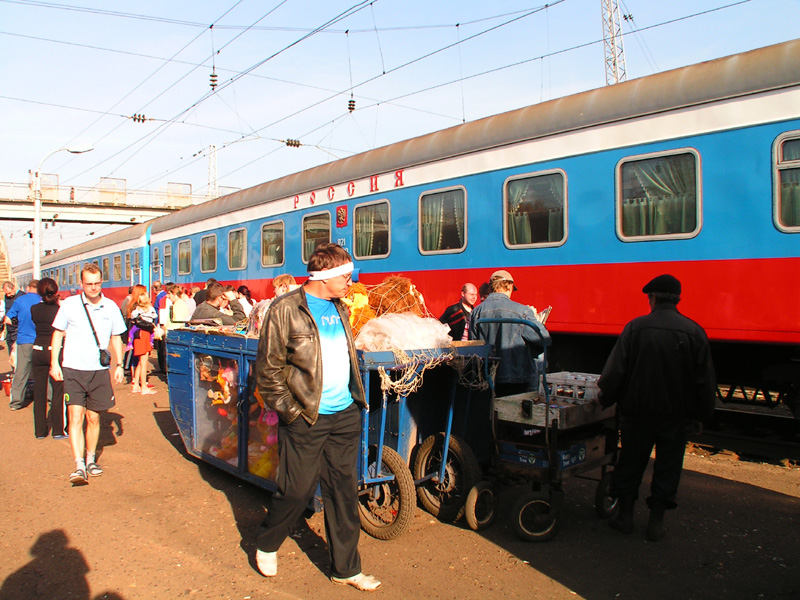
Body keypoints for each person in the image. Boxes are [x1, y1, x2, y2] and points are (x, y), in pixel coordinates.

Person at [253, 243, 380, 591]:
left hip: (344, 415)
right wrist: (291, 412)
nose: (350, 283)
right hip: (306, 416)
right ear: (324, 277)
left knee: (343, 493)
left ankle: (346, 569)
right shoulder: (285, 309)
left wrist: (355, 402)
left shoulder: (339, 306)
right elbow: (268, 371)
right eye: (345, 276)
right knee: (296, 490)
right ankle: (266, 542)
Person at [597, 274, 716, 541]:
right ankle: (656, 524)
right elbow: (704, 380)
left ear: (652, 298)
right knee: (668, 466)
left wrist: (605, 399)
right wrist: (700, 415)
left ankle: (625, 518)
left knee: (631, 462)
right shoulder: (694, 331)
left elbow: (616, 372)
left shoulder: (635, 328)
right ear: (677, 299)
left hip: (637, 413)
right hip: (676, 415)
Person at [50, 264, 126, 486]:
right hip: (73, 369)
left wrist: (120, 365)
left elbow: (116, 338)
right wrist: (55, 363)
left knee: (93, 418)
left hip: (98, 371)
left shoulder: (110, 306)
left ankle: (91, 459)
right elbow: (57, 334)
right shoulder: (70, 305)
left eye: (97, 283)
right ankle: (79, 464)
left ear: (101, 282)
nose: (93, 288)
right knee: (76, 416)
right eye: (88, 284)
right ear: (81, 284)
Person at [468, 270, 550, 397]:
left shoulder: (476, 312)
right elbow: (544, 339)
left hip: (487, 376)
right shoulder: (523, 311)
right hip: (516, 377)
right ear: (510, 286)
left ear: (491, 287)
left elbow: (474, 346)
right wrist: (537, 322)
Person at [30, 278, 66, 439]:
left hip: (38, 349)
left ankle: (40, 431)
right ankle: (58, 430)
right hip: (55, 350)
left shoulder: (34, 309)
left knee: (39, 392)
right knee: (58, 390)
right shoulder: (60, 310)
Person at [6, 280, 41, 410]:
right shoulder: (43, 300)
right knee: (44, 371)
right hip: (40, 341)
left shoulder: (20, 300)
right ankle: (50, 398)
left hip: (24, 340)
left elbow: (8, 319)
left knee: (21, 372)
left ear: (28, 288)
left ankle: (16, 402)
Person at [127, 284, 158, 395]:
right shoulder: (138, 309)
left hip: (140, 334)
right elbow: (145, 322)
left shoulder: (135, 307)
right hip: (143, 334)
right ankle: (143, 386)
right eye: (143, 294)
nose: (146, 296)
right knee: (144, 362)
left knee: (141, 361)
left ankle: (136, 385)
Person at [3, 281, 25, 359]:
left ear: (13, 288)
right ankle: (14, 369)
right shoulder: (6, 297)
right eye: (6, 294)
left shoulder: (22, 296)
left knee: (17, 353)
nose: (8, 295)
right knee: (11, 352)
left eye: (9, 293)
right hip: (9, 329)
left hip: (18, 328)